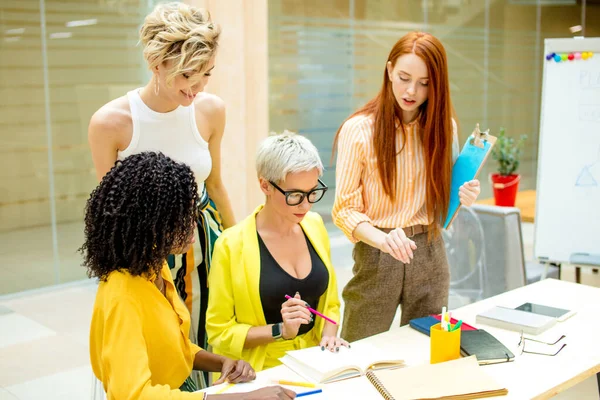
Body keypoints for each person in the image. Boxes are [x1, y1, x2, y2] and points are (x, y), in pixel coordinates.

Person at [87, 2, 234, 365]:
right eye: (188, 76)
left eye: (206, 74)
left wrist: (241, 244)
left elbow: (215, 184)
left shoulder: (211, 111)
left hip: (203, 237)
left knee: (209, 333)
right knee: (161, 346)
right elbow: (111, 216)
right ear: (156, 64)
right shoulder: (111, 122)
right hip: (145, 249)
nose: (197, 87)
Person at [84, 152, 296, 399]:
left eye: (191, 214)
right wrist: (242, 398)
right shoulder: (122, 297)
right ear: (149, 225)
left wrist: (222, 362)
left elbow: (171, 348)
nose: (192, 225)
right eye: (180, 219)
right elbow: (134, 394)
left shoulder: (155, 265)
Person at [332, 32, 481, 342]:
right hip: (376, 253)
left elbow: (445, 201)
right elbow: (344, 210)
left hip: (429, 250)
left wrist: (463, 196)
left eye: (425, 83)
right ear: (389, 72)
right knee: (360, 350)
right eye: (403, 77)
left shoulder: (443, 129)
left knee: (428, 350)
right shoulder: (358, 130)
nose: (412, 90)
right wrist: (383, 242)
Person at [206, 132, 347, 372]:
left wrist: (329, 337)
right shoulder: (231, 245)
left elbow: (330, 303)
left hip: (317, 362)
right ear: (265, 185)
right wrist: (280, 330)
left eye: (313, 192)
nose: (306, 204)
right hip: (261, 371)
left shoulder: (314, 225)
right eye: (295, 195)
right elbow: (219, 331)